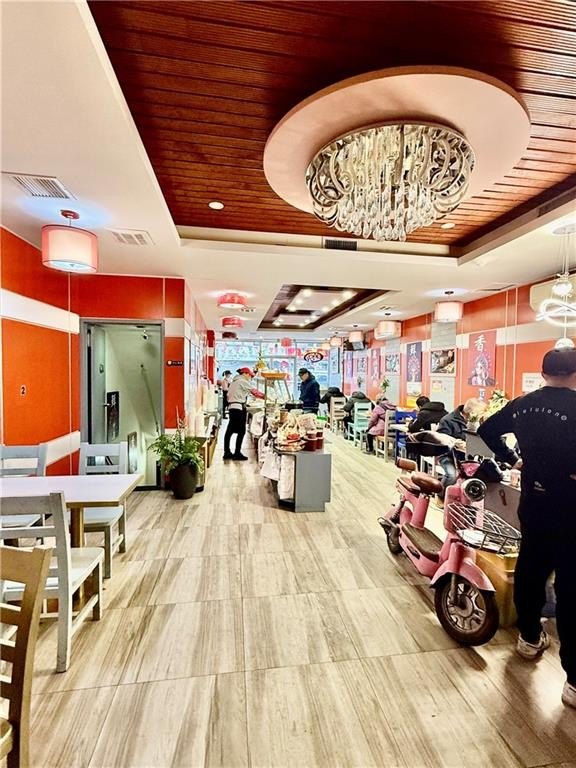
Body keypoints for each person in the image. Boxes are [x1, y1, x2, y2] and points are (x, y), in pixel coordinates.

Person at [478, 348, 576, 709]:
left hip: (533, 503)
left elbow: (487, 430)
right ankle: (574, 681)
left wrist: (514, 459)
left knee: (531, 571)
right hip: (571, 507)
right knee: (571, 588)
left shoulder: (523, 404)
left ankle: (530, 638)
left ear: (543, 372)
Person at [223, 368, 264, 461]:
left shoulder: (234, 381)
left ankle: (227, 452)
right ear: (245, 373)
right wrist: (266, 396)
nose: (250, 377)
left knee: (229, 431)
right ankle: (237, 453)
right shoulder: (242, 381)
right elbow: (255, 392)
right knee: (241, 431)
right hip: (238, 408)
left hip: (232, 407)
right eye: (250, 375)